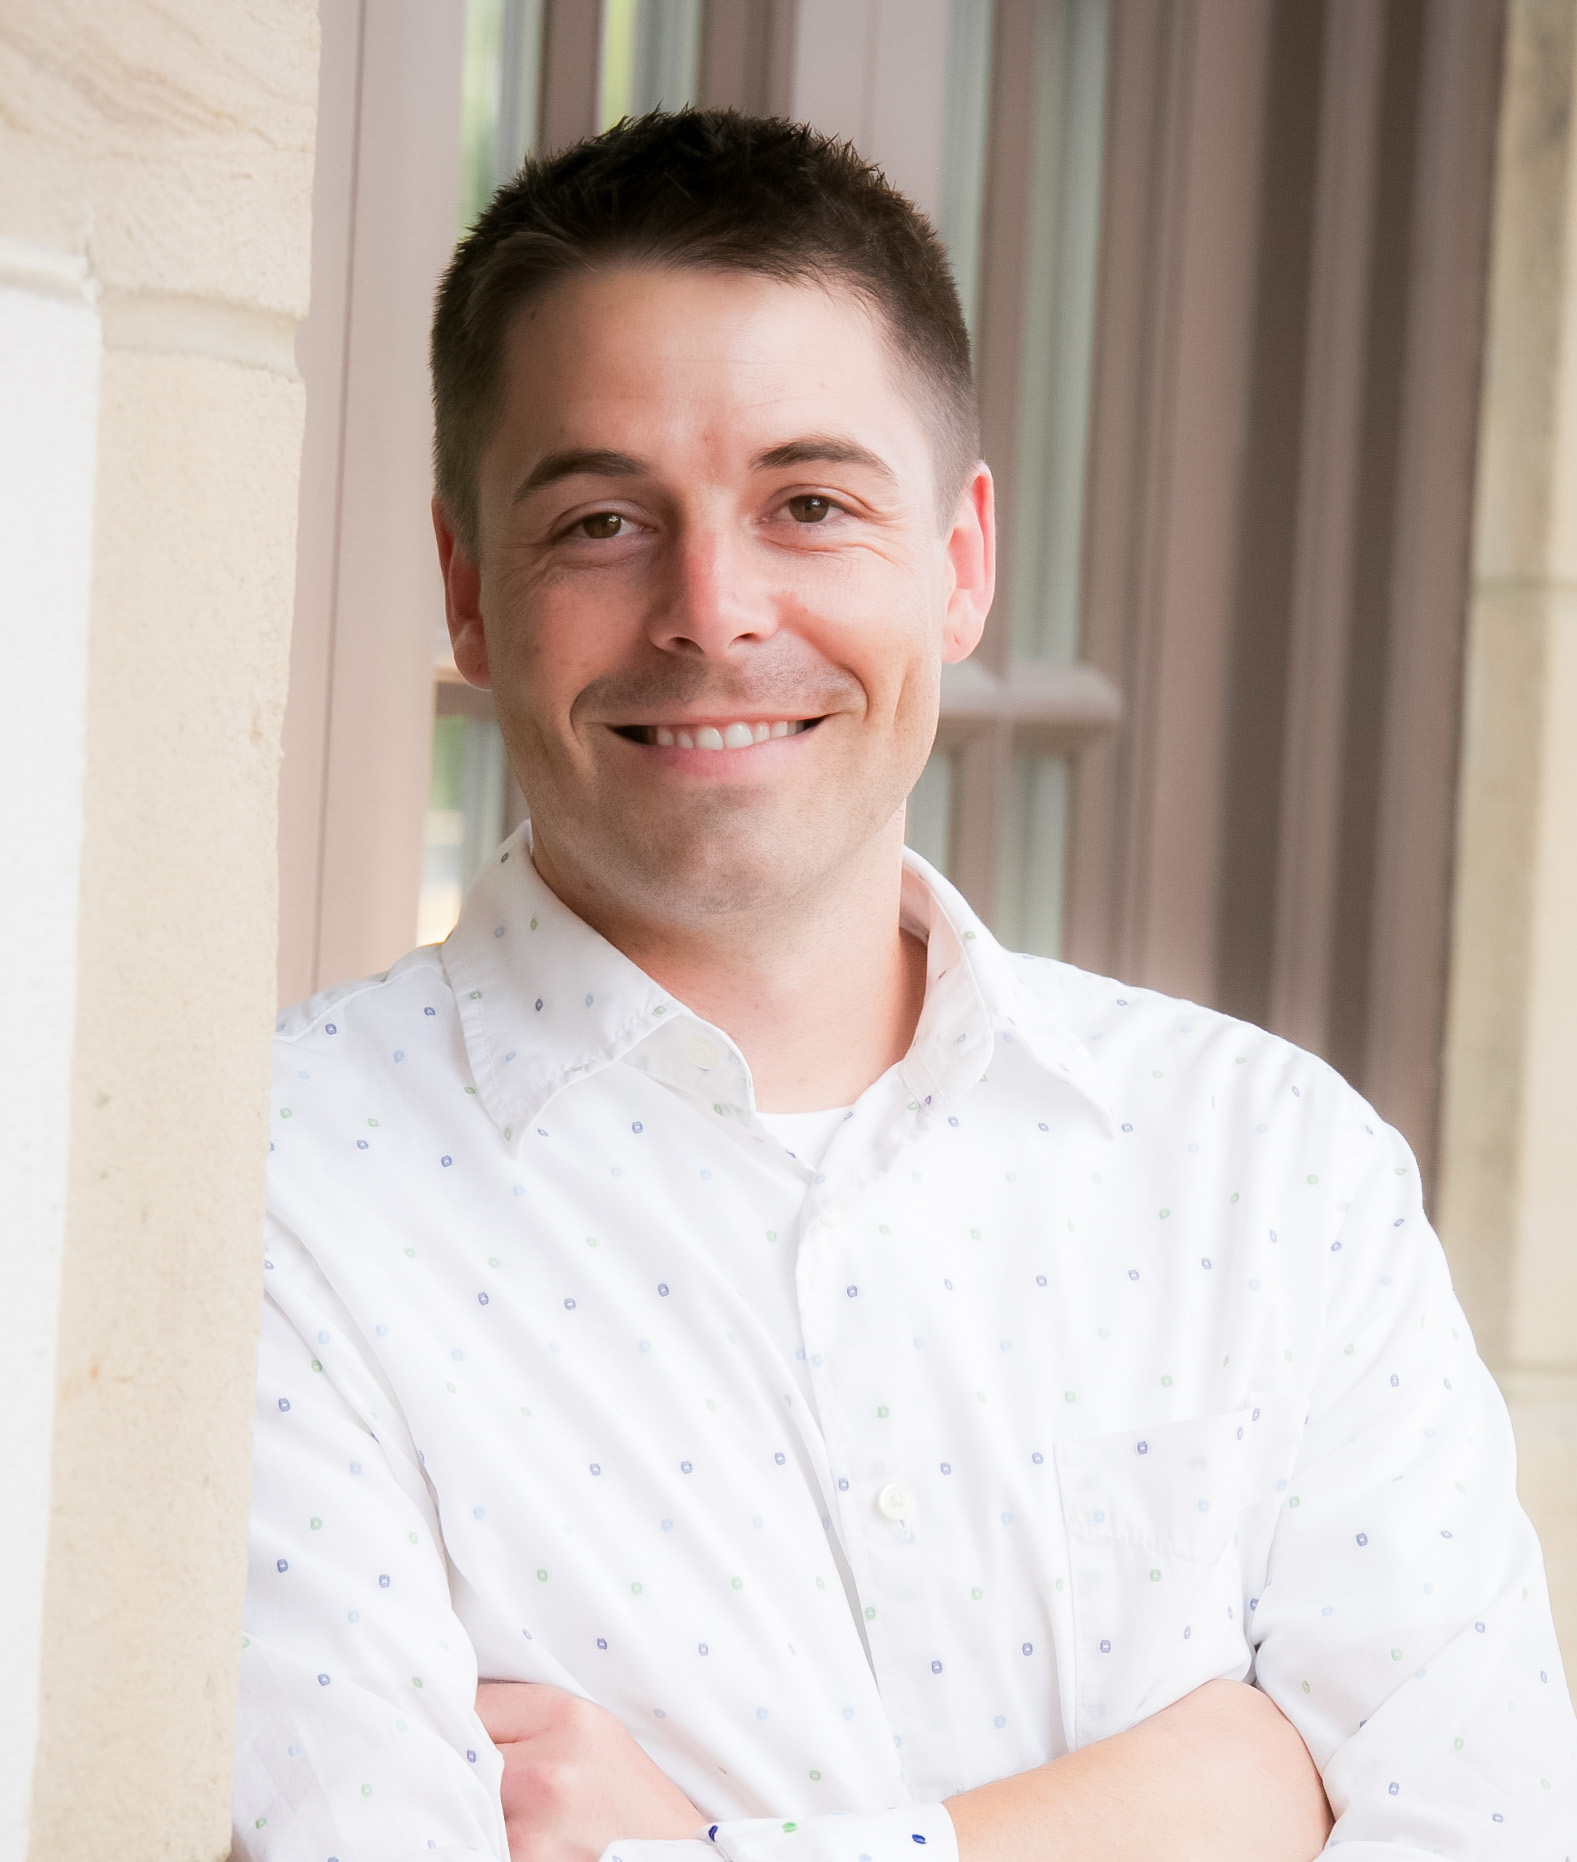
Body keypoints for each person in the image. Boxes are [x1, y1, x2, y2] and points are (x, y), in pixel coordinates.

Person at [233, 110, 1575, 1861]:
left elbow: (1486, 1827)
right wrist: (1190, 1805)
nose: (712, 611)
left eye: (808, 502)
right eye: (599, 521)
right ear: (469, 592)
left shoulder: (1275, 1169)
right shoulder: (260, 1196)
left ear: (956, 562)